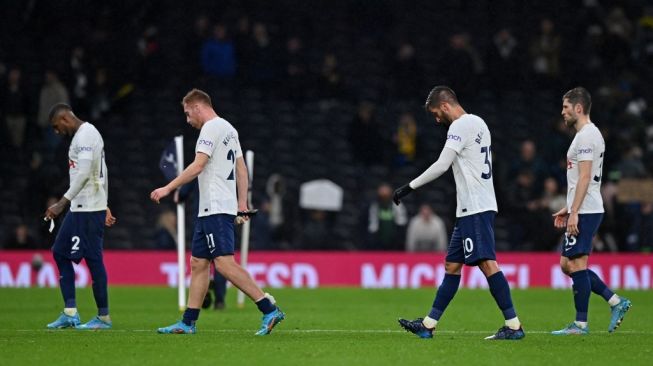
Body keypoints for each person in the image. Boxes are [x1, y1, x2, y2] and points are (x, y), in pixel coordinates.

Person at [392, 86, 524, 340]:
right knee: (452, 265)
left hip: (475, 207)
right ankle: (428, 325)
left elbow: (442, 164)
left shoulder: (460, 126)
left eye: (435, 113)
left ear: (444, 105)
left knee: (487, 264)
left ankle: (514, 326)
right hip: (471, 208)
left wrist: (409, 187)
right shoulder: (480, 123)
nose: (436, 119)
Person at [150, 89, 284, 335]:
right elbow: (242, 170)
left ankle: (269, 308)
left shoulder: (210, 129)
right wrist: (242, 203)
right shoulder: (230, 129)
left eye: (187, 113)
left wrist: (168, 187)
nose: (187, 119)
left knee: (223, 263)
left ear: (197, 107)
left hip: (215, 207)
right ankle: (188, 322)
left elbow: (198, 165)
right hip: (212, 208)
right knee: (199, 262)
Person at [551, 87, 631, 335]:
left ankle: (580, 324)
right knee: (567, 264)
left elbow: (586, 177)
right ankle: (616, 302)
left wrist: (574, 212)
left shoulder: (587, 136)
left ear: (578, 108)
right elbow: (582, 179)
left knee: (576, 264)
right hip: (583, 206)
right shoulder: (585, 135)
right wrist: (569, 206)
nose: (562, 112)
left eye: (565, 107)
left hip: (586, 210)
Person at [44, 103, 116, 330]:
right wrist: (105, 203)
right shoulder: (82, 136)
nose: (57, 132)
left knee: (94, 259)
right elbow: (101, 170)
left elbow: (85, 173)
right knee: (59, 252)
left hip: (87, 208)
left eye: (57, 126)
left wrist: (61, 203)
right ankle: (70, 312)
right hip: (82, 207)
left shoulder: (87, 135)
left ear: (65, 119)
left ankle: (103, 317)